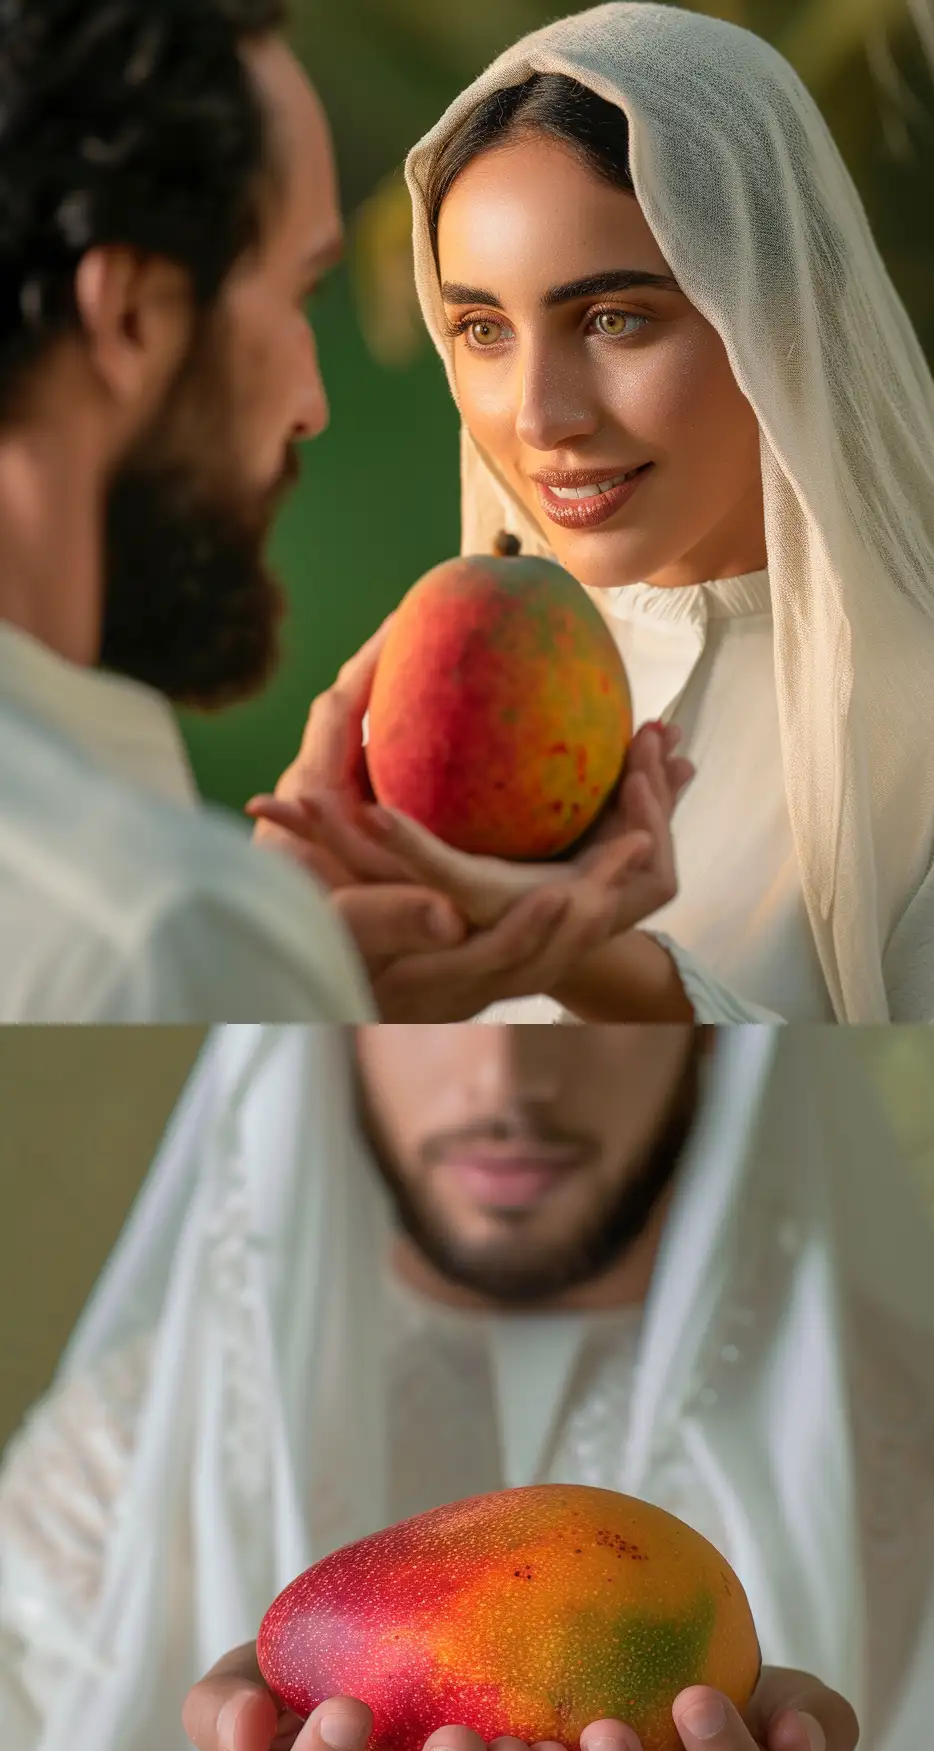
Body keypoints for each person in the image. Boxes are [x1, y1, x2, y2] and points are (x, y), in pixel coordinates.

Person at [0, 1025, 934, 1751]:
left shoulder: (919, 1443)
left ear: (712, 1020)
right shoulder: (113, 1455)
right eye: (432, 998)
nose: (509, 1075)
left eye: (586, 997)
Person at [256, 5, 934, 1024]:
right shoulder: (423, 700)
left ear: (774, 306)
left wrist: (615, 977)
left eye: (613, 319)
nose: (538, 417)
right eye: (481, 329)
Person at [0, 0, 680, 1023]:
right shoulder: (160, 932)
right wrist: (245, 955)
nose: (312, 405)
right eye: (298, 293)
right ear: (132, 315)